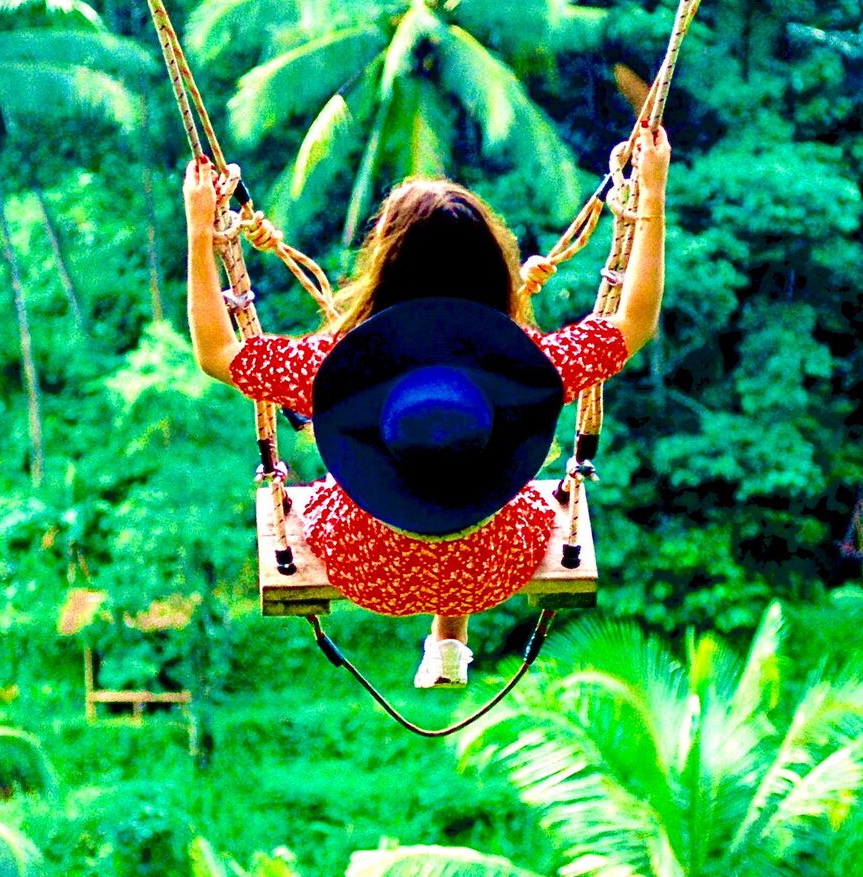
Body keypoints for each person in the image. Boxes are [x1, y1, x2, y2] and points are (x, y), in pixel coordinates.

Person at [184, 129, 670, 687]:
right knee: (474, 470)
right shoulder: (527, 365)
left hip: (366, 570)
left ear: (384, 265)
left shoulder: (335, 366)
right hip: (492, 570)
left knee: (386, 470)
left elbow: (217, 352)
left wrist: (199, 231)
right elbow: (634, 323)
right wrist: (652, 196)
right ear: (495, 268)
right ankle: (450, 635)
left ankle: (445, 637)